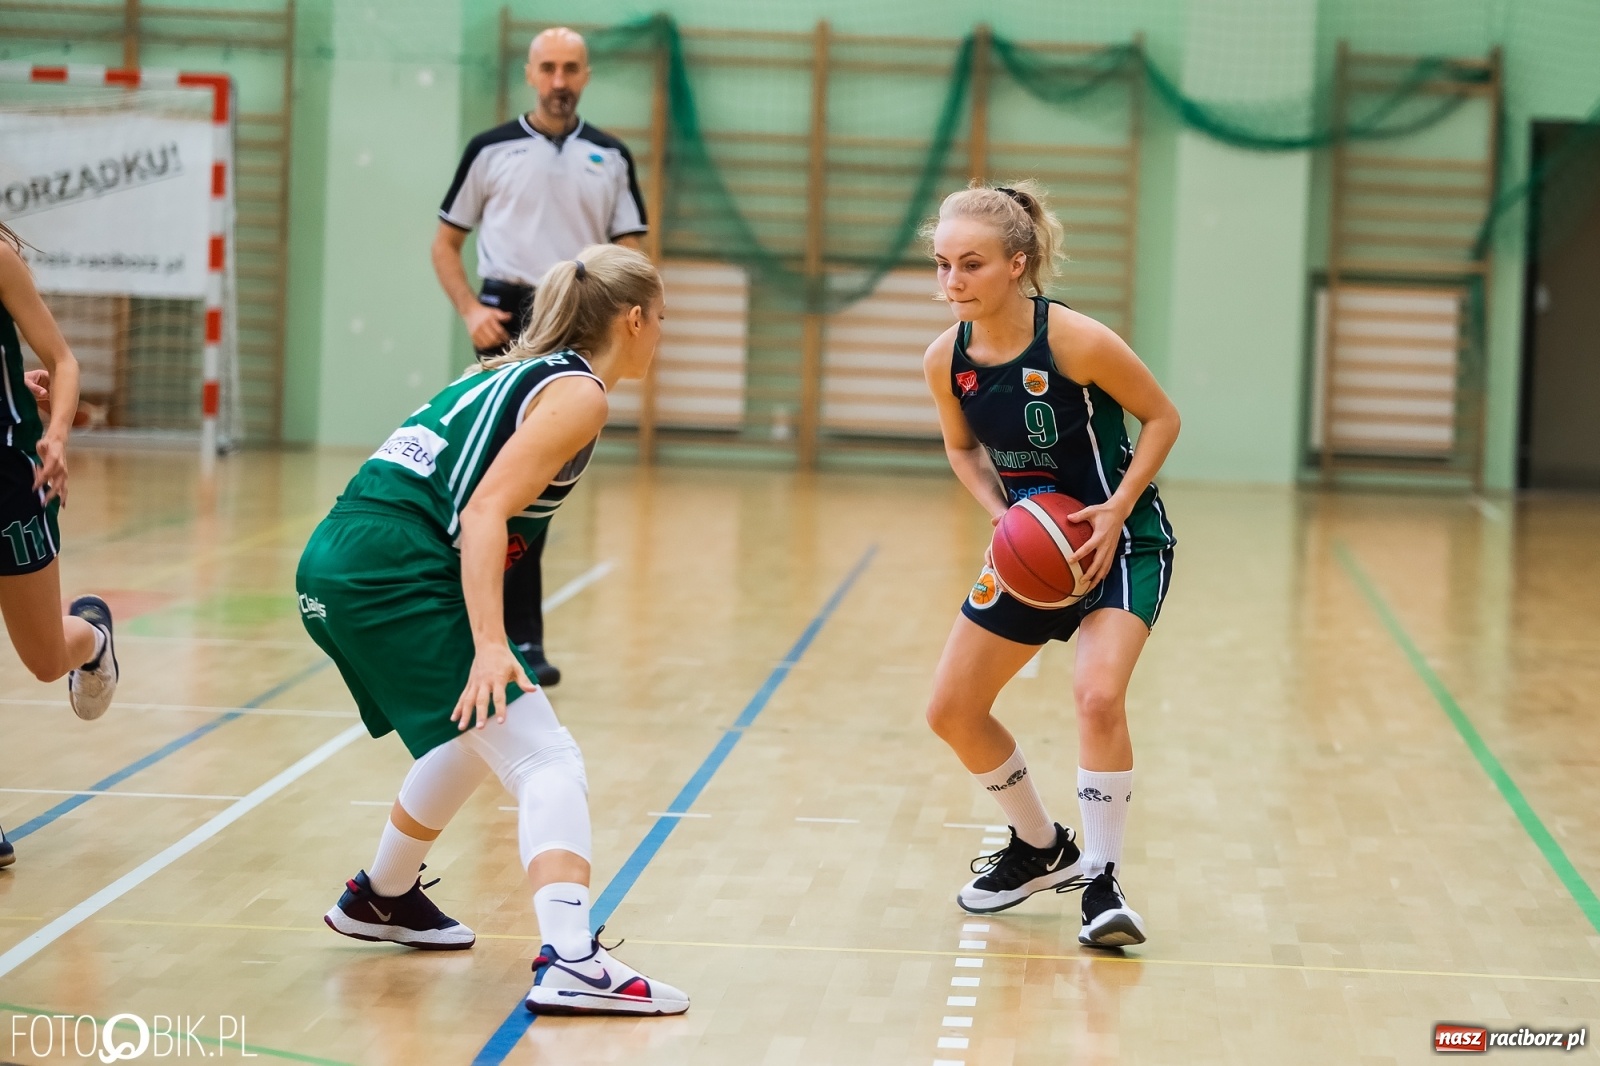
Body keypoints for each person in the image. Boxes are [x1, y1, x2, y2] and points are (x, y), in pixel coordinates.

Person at [299, 244, 687, 1016]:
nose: (662, 335)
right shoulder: (579, 394)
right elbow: (482, 513)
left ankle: (383, 895)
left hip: (339, 559)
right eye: (663, 320)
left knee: (471, 736)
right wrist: (489, 644)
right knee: (547, 760)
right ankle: (571, 958)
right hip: (393, 570)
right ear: (635, 319)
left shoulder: (502, 373)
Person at [920, 181, 1179, 947]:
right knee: (951, 711)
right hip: (1032, 547)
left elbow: (1162, 416)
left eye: (970, 264)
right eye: (941, 265)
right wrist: (1003, 518)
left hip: (1118, 537)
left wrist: (1120, 505)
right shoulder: (946, 359)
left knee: (1098, 697)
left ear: (1017, 264)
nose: (952, 282)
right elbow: (962, 449)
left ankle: (1101, 881)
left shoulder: (1074, 339)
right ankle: (1041, 847)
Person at [431, 26, 650, 688]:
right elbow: (445, 243)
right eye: (548, 67)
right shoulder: (490, 149)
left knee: (541, 484)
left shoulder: (610, 157)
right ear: (531, 73)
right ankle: (471, 627)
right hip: (504, 317)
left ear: (587, 76)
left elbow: (633, 253)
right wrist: (472, 310)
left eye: (572, 69)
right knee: (487, 479)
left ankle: (521, 637)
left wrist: (619, 328)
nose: (560, 80)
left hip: (576, 316)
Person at [0, 221, 120, 871]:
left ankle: (93, 638)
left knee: (45, 659)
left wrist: (57, 434)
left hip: (12, 478)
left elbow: (63, 360)